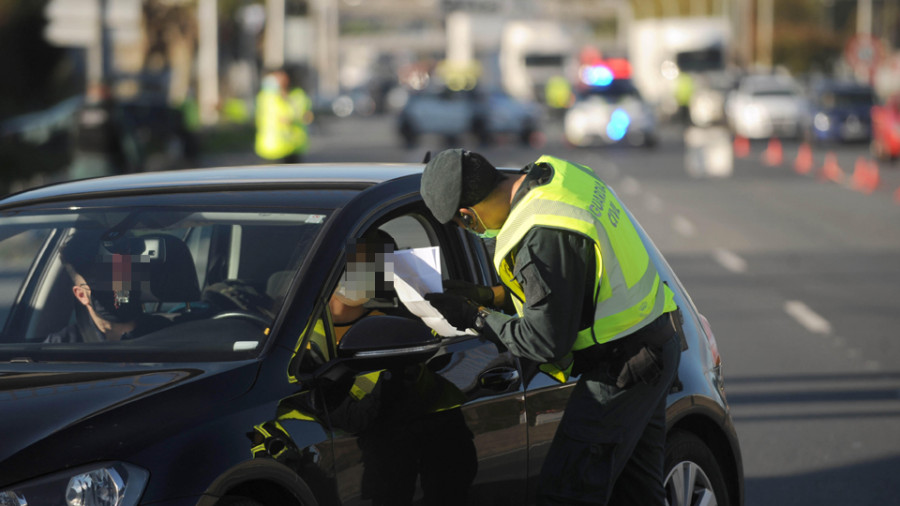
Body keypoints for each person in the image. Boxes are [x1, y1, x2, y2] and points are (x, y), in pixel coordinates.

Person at [419, 149, 683, 505]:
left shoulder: (540, 234)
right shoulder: (555, 175)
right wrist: (491, 296)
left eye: (463, 226)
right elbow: (570, 284)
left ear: (468, 216)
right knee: (635, 493)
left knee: (567, 491)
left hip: (624, 364)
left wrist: (474, 316)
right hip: (651, 340)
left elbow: (545, 341)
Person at [45, 232, 170, 343]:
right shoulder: (61, 347)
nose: (120, 286)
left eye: (126, 274)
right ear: (81, 295)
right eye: (105, 279)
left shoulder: (171, 336)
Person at [68, 81, 141, 180]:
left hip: (79, 169)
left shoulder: (79, 110)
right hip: (108, 168)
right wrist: (137, 168)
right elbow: (131, 145)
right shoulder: (114, 111)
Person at [255, 70, 307, 164]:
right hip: (271, 149)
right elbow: (246, 109)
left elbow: (304, 114)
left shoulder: (298, 95)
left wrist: (294, 119)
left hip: (293, 148)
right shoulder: (265, 97)